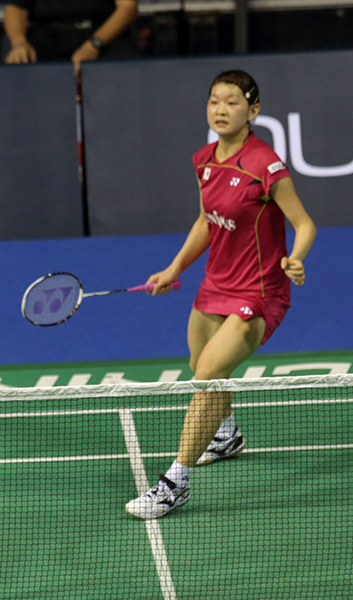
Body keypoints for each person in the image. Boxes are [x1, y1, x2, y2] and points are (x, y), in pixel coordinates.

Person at [125, 70, 317, 519]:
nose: (221, 110)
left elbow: (304, 223)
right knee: (202, 370)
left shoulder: (265, 165)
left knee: (210, 374)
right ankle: (226, 434)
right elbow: (205, 221)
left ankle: (175, 483)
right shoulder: (204, 160)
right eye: (214, 101)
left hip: (260, 290)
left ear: (253, 110)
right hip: (216, 284)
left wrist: (296, 258)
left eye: (232, 102)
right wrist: (174, 269)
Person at [4, 0, 139, 73]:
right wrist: (19, 42)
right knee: (20, 62)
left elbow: (128, 7)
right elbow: (15, 9)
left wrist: (93, 45)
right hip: (49, 35)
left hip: (102, 35)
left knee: (127, 65)